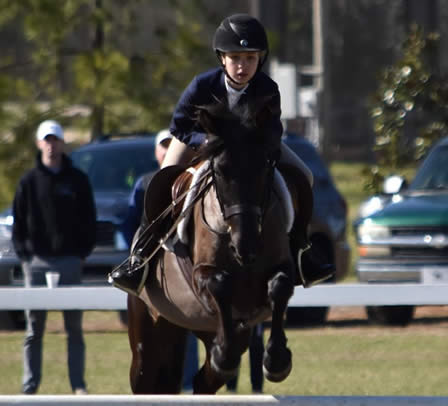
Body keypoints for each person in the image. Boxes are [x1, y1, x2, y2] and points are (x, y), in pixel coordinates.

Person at [110, 13, 333, 295]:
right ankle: (139, 258)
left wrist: (255, 149)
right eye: (236, 58)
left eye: (250, 58)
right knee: (160, 182)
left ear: (259, 60)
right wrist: (210, 141)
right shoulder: (202, 86)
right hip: (199, 142)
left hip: (252, 149)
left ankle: (301, 250)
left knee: (306, 175)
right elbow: (179, 126)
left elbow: (273, 132)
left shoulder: (267, 89)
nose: (242, 66)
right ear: (222, 59)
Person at [12, 119, 97, 395]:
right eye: (46, 140)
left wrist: (81, 254)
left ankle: (78, 385)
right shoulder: (28, 182)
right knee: (34, 329)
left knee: (74, 328)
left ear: (62, 144)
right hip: (36, 263)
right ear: (39, 144)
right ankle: (30, 385)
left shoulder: (78, 180)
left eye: (55, 139)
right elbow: (19, 224)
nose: (51, 145)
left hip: (71, 261)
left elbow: (89, 221)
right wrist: (26, 257)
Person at [120, 129, 200, 392]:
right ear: (157, 152)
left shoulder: (193, 179)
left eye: (170, 145)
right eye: (163, 146)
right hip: (156, 253)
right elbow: (130, 221)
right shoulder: (145, 181)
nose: (167, 150)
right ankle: (136, 267)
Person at [225, 324, 264, 394]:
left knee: (256, 349)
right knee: (233, 347)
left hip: (256, 317)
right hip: (236, 317)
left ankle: (257, 388)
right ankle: (231, 388)